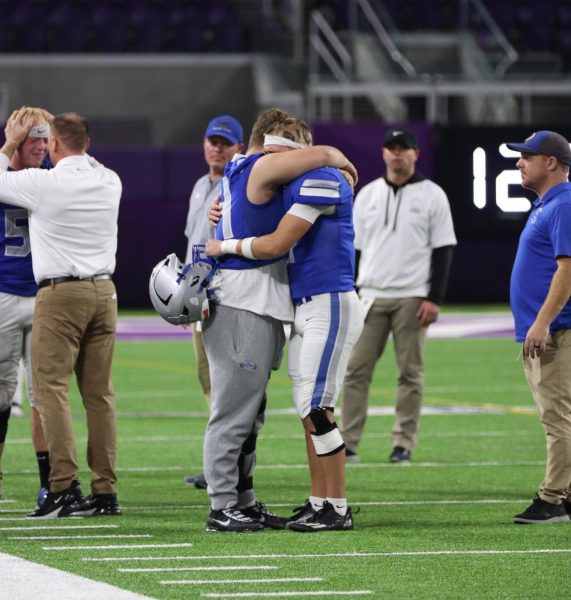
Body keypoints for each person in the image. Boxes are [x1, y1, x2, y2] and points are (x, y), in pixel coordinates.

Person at [201, 108, 357, 532]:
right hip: (250, 300)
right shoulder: (274, 167)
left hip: (293, 301)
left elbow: (276, 235)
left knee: (260, 411)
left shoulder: (247, 171)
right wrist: (336, 156)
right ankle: (223, 505)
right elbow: (274, 242)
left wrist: (222, 239)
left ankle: (258, 500)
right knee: (239, 410)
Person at [0, 108, 122, 518]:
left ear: (52, 144)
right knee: (100, 397)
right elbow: (83, 155)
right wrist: (64, 133)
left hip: (59, 293)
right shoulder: (109, 179)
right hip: (105, 292)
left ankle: (62, 487)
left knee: (48, 392)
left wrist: (10, 141)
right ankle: (105, 491)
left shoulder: (44, 184)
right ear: (87, 144)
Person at [340, 128, 457, 463]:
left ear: (415, 154)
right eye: (391, 148)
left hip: (413, 296)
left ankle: (403, 442)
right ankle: (348, 442)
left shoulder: (433, 195)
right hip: (371, 295)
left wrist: (434, 297)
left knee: (410, 373)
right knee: (355, 371)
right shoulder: (368, 195)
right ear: (383, 153)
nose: (397, 154)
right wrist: (352, 291)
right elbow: (356, 250)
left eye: (404, 148)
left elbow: (443, 249)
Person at [506, 130, 571, 524]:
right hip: (551, 330)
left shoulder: (562, 204)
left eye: (527, 156)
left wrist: (543, 322)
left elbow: (568, 269)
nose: (519, 162)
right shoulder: (549, 204)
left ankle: (552, 499)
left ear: (551, 162)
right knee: (561, 416)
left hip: (557, 331)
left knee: (557, 418)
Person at [182, 115, 244, 490]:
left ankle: (228, 466)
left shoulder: (239, 186)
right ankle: (218, 463)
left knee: (225, 384)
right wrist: (186, 289)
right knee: (208, 378)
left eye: (225, 142)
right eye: (212, 140)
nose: (217, 147)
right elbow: (193, 241)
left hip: (222, 292)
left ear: (238, 148)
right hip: (198, 292)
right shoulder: (200, 185)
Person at [0, 108, 51, 507]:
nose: (41, 145)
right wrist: (10, 142)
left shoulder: (55, 177)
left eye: (46, 137)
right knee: (1, 394)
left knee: (43, 395)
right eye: (32, 136)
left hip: (44, 296)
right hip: (2, 294)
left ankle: (51, 482)